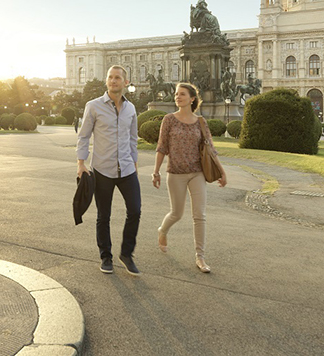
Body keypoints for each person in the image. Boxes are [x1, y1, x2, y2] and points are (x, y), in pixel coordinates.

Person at [152, 82, 227, 273]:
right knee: (176, 213)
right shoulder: (169, 119)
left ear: (192, 99)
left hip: (197, 173)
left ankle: (200, 257)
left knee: (199, 216)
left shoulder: (201, 122)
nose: (178, 97)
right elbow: (161, 147)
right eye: (176, 94)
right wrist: (156, 171)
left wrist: (222, 171)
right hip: (175, 173)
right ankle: (163, 230)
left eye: (182, 94)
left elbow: (211, 148)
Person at [77, 65, 141, 276]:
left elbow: (133, 139)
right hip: (102, 169)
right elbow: (84, 135)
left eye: (117, 78)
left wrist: (135, 163)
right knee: (104, 216)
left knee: (135, 210)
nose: (113, 81)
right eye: (110, 77)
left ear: (125, 82)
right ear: (107, 81)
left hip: (127, 169)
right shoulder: (93, 106)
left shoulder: (131, 109)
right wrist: (81, 163)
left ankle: (126, 253)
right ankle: (106, 256)